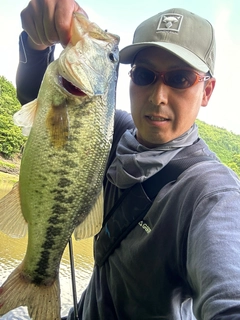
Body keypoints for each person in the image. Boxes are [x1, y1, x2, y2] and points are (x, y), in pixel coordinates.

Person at [16, 1, 240, 319]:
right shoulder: (114, 132)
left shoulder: (211, 193)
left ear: (206, 92)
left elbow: (230, 296)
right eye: (145, 74)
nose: (158, 96)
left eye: (179, 79)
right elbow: (40, 104)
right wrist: (38, 43)